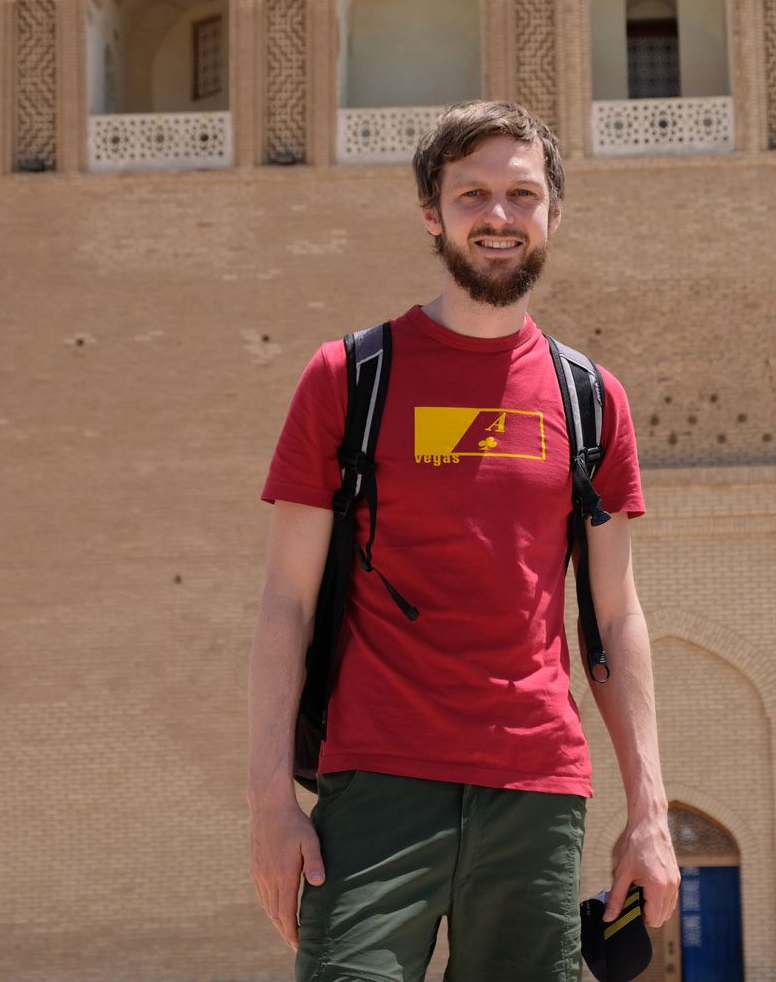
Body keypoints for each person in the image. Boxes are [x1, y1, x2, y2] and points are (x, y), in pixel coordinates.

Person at [246, 100, 679, 982]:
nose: (498, 216)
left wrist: (650, 811)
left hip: (537, 790)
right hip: (374, 786)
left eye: (521, 195)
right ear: (431, 213)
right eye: (473, 194)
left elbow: (615, 615)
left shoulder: (590, 400)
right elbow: (286, 600)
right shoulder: (351, 377)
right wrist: (268, 803)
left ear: (553, 213)